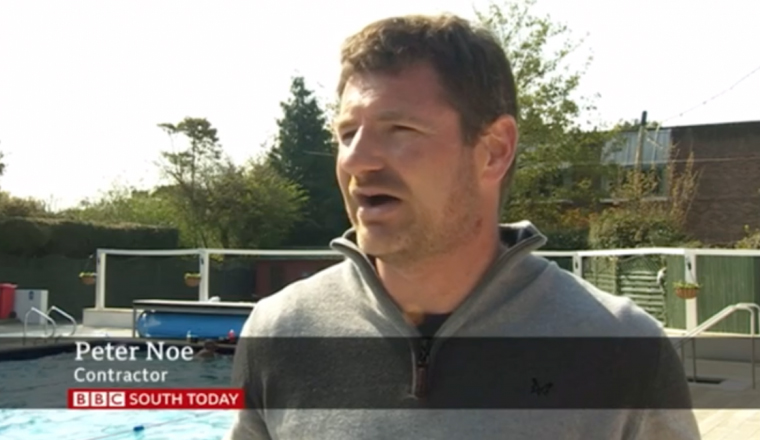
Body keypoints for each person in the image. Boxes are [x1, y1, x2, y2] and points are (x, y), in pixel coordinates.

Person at [224, 13, 700, 439]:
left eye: (400, 130)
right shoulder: (278, 331)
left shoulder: (620, 349)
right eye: (347, 134)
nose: (356, 160)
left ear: (493, 150)